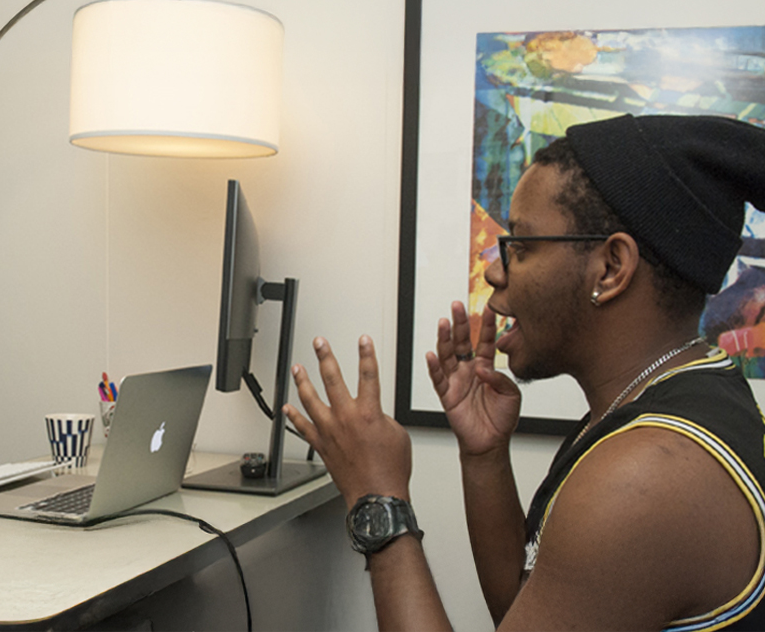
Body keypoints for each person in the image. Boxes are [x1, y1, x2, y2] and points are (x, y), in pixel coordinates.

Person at [283, 114, 765, 630]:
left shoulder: (644, 477)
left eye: (521, 246)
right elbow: (528, 606)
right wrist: (484, 457)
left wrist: (378, 497)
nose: (495, 269)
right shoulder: (671, 400)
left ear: (610, 268)